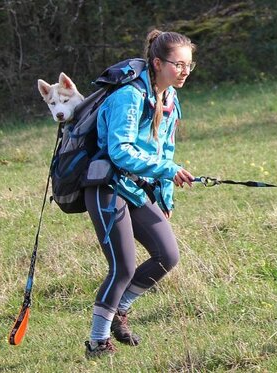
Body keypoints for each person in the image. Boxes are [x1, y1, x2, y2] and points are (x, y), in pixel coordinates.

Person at [83, 29, 196, 358]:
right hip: (107, 186)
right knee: (124, 267)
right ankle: (97, 342)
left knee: (167, 255)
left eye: (190, 65)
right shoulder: (129, 96)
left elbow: (165, 151)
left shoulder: (171, 100)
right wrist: (167, 171)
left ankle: (120, 311)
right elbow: (120, 151)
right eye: (179, 64)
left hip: (137, 188)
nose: (185, 71)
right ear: (158, 63)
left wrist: (165, 197)